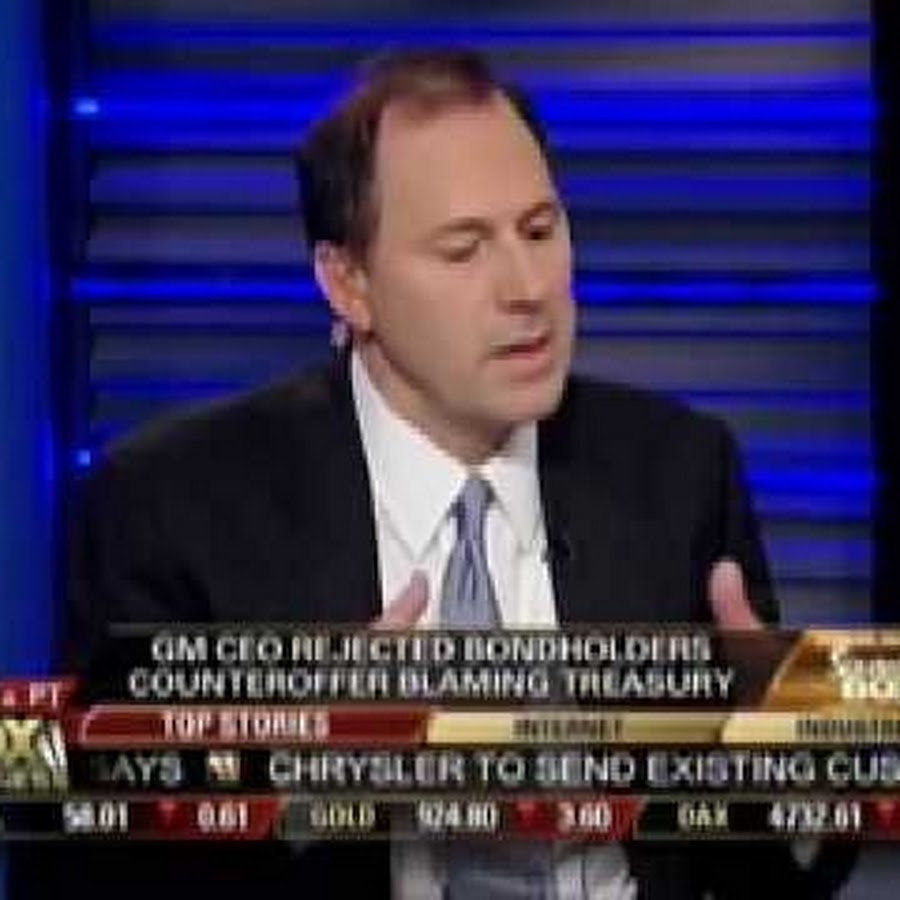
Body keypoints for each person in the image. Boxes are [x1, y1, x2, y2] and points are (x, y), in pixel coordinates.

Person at [10, 47, 854, 899]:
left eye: (540, 231)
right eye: (463, 251)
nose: (526, 288)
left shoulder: (679, 472)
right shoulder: (174, 509)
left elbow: (774, 872)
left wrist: (795, 762)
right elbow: (76, 865)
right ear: (349, 284)